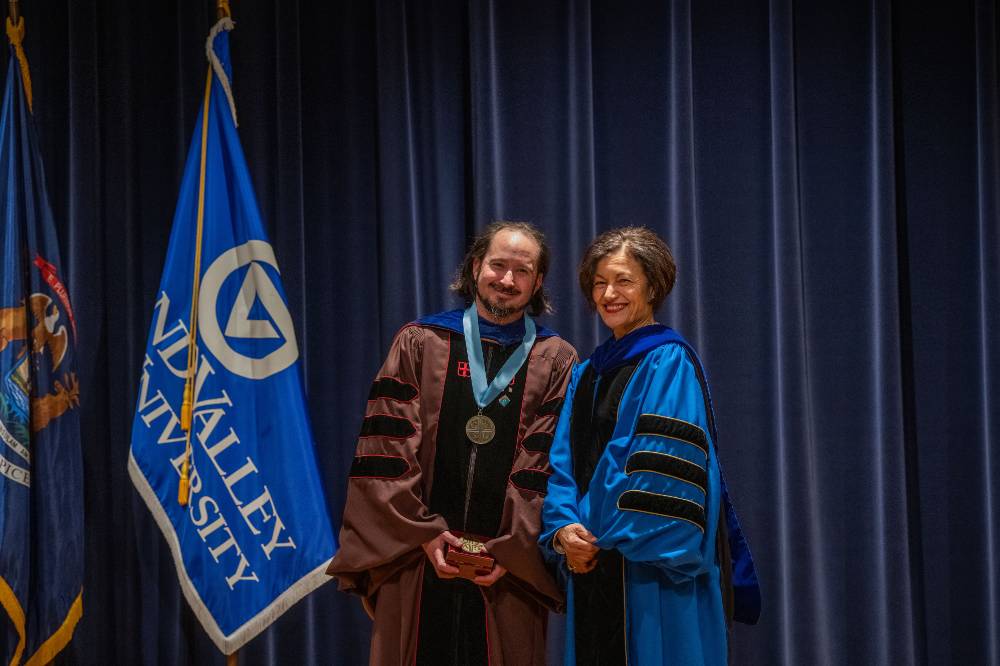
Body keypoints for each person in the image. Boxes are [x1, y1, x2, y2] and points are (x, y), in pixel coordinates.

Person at [328, 221, 578, 665]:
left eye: (522, 271)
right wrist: (423, 534)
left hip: (507, 572)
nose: (506, 279)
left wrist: (512, 550)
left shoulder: (555, 359)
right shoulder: (421, 342)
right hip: (416, 557)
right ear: (476, 265)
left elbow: (549, 466)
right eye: (497, 265)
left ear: (537, 282)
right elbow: (387, 452)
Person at [540, 227, 760, 665]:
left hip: (651, 568)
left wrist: (595, 534)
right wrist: (564, 532)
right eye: (599, 282)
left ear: (653, 286)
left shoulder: (668, 360)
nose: (609, 294)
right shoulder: (587, 373)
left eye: (624, 281)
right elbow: (561, 463)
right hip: (592, 560)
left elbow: (650, 467)